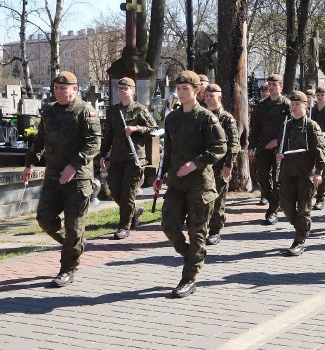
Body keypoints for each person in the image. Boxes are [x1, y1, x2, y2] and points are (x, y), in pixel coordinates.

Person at [23, 71, 101, 287]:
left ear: (74, 89)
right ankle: (74, 244)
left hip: (78, 179)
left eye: (63, 88)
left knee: (74, 225)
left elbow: (94, 144)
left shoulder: (85, 111)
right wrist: (29, 164)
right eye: (56, 88)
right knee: (44, 219)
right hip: (53, 176)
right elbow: (40, 140)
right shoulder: (49, 112)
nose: (59, 92)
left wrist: (74, 166)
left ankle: (67, 268)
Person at [153, 71, 227, 298]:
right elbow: (169, 151)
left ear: (197, 91)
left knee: (197, 233)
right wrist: (159, 175)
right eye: (179, 88)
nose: (181, 92)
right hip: (176, 182)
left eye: (186, 88)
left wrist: (195, 164)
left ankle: (188, 278)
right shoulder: (172, 118)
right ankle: (193, 256)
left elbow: (220, 147)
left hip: (200, 185)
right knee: (169, 226)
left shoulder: (206, 118)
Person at [99, 77, 157, 240]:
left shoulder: (139, 109)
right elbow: (108, 134)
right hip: (117, 156)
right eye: (120, 88)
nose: (122, 90)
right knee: (114, 189)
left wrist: (136, 128)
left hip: (135, 157)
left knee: (128, 193)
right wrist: (103, 153)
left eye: (126, 88)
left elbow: (153, 127)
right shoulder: (114, 110)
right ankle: (135, 210)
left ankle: (124, 226)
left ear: (133, 90)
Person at [276, 91, 325, 256]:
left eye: (298, 104)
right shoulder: (286, 125)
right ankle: (302, 228)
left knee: (304, 209)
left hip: (306, 174)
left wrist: (318, 172)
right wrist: (279, 154)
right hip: (288, 173)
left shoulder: (312, 126)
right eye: (292, 104)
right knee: (286, 206)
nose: (294, 107)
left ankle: (299, 240)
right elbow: (281, 147)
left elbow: (320, 152)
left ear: (305, 105)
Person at [248, 73, 292, 225]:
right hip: (263, 146)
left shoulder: (287, 105)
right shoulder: (261, 105)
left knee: (277, 178)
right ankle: (270, 197)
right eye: (270, 85)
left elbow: (292, 128)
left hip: (280, 147)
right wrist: (252, 146)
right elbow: (255, 128)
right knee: (261, 176)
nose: (272, 87)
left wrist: (278, 141)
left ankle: (273, 210)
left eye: (275, 85)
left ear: (281, 86)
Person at [204, 83, 240, 246]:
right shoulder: (202, 115)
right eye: (206, 95)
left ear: (219, 97)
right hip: (204, 164)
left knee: (218, 199)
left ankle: (215, 230)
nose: (208, 98)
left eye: (212, 95)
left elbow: (234, 144)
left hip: (220, 165)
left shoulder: (226, 118)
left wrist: (229, 165)